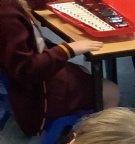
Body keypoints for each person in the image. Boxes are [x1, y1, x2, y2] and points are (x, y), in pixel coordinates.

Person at [0, 0, 119, 136]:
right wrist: (67, 50)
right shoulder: (6, 12)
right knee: (111, 90)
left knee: (82, 71)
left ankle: (72, 131)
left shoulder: (9, 7)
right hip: (36, 97)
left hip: (29, 86)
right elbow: (27, 69)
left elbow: (31, 4)